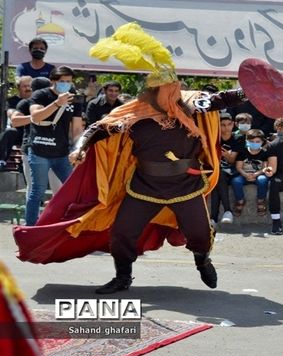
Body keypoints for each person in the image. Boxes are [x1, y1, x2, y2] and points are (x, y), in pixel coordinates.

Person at [13, 22, 247, 294]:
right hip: (144, 187)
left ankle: (202, 259)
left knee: (198, 235)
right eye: (157, 87)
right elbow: (100, 127)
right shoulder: (135, 113)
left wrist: (249, 91)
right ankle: (123, 277)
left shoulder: (192, 105)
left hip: (186, 186)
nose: (162, 92)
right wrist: (82, 147)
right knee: (123, 233)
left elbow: (221, 99)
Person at [26, 66, 84, 226]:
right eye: (62, 82)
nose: (66, 85)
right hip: (40, 151)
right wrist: (57, 104)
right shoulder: (41, 95)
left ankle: (68, 225)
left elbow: (77, 129)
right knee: (37, 191)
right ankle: (30, 229)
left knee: (74, 189)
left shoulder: (75, 99)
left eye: (69, 82)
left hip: (62, 153)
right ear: (52, 81)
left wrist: (79, 148)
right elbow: (36, 117)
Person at [210, 112, 242, 224]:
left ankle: (215, 217)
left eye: (229, 124)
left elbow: (232, 160)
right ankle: (225, 212)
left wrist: (226, 155)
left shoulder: (238, 138)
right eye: (223, 125)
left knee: (219, 176)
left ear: (233, 124)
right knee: (217, 179)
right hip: (217, 171)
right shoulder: (214, 138)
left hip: (232, 170)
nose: (226, 127)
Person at [231, 129, 269, 217]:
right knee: (236, 181)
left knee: (263, 180)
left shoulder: (264, 153)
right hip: (244, 175)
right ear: (247, 141)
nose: (254, 143)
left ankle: (261, 201)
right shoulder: (243, 152)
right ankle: (240, 201)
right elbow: (239, 167)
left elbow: (265, 168)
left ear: (262, 142)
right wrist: (245, 174)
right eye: (251, 141)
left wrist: (256, 174)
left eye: (257, 141)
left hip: (258, 174)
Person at [1, 76, 32, 168]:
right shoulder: (11, 101)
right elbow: (12, 115)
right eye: (24, 86)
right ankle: (1, 161)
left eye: (29, 86)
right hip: (19, 132)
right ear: (18, 87)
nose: (27, 88)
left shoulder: (37, 100)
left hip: (33, 132)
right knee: (9, 132)